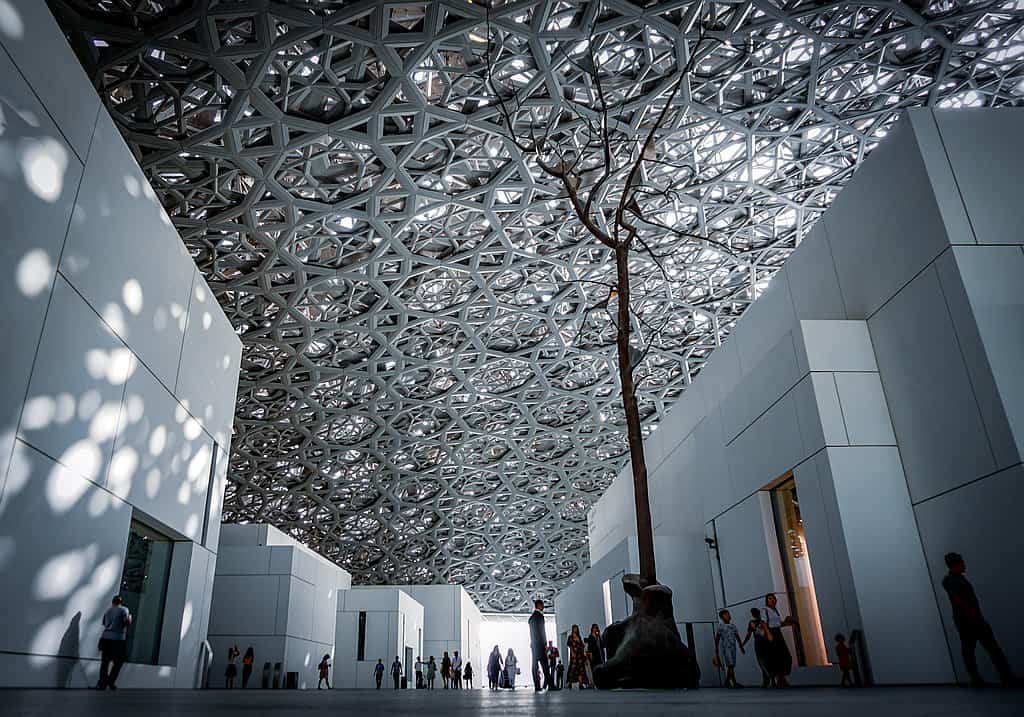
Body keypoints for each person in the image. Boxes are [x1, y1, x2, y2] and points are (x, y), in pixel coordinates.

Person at [942, 552, 1014, 686]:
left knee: (986, 649)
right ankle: (985, 679)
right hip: (967, 622)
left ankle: (1003, 677)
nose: (964, 565)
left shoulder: (958, 579)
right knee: (974, 650)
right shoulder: (949, 580)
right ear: (954, 565)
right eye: (961, 563)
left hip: (971, 620)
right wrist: (974, 615)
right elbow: (957, 599)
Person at [96, 595, 132, 691]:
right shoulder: (124, 609)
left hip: (105, 638)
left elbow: (104, 623)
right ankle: (110, 681)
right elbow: (125, 622)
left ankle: (102, 683)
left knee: (105, 662)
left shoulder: (108, 611)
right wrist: (130, 619)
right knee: (119, 662)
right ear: (121, 602)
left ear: (113, 602)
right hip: (118, 639)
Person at [764, 593, 796, 688]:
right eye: (769, 599)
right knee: (776, 656)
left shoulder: (775, 611)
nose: (772, 600)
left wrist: (787, 624)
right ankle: (780, 680)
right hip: (771, 634)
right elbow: (764, 623)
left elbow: (777, 624)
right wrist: (769, 634)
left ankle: (782, 679)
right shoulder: (765, 610)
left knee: (785, 656)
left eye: (773, 598)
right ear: (767, 601)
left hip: (778, 633)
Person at [740, 607, 773, 687]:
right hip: (766, 642)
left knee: (761, 661)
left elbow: (748, 635)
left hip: (759, 642)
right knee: (767, 661)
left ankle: (767, 677)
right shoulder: (763, 621)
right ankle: (768, 680)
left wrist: (743, 644)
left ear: (753, 614)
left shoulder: (753, 622)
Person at [715, 609, 744, 688]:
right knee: (730, 664)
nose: (728, 616)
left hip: (733, 647)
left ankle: (727, 681)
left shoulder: (733, 626)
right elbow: (717, 638)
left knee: (732, 665)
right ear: (722, 617)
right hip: (726, 647)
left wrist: (741, 646)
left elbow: (737, 636)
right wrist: (716, 648)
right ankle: (734, 682)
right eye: (726, 614)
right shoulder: (721, 626)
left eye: (728, 614)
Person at [528, 598, 553, 691]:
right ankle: (551, 685)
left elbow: (533, 633)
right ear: (539, 606)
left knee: (535, 666)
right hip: (540, 645)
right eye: (542, 605)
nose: (544, 607)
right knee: (545, 666)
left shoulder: (531, 618)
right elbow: (542, 631)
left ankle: (537, 686)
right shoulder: (540, 616)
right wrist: (545, 644)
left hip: (534, 645)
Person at [566, 624, 587, 689]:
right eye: (574, 628)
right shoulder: (570, 637)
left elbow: (581, 645)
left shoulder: (579, 637)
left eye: (576, 628)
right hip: (574, 655)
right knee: (572, 668)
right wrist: (572, 653)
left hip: (580, 654)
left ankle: (580, 684)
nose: (575, 630)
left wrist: (583, 652)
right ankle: (570, 682)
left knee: (581, 668)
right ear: (572, 629)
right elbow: (570, 645)